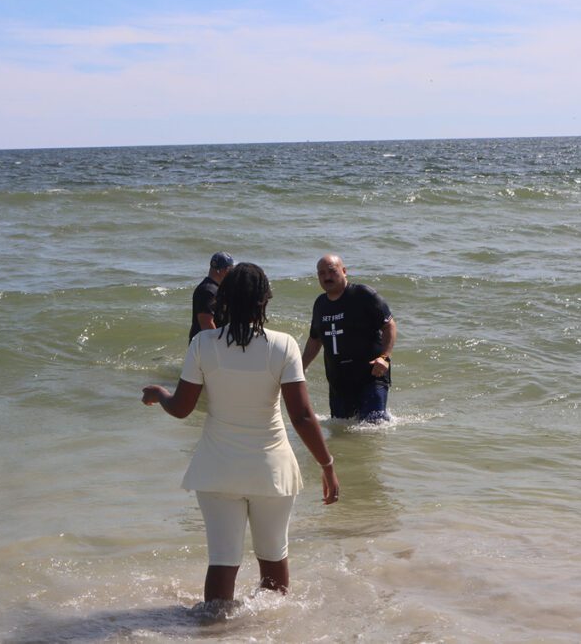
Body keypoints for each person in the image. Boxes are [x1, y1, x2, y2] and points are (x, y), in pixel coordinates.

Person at [143, 263, 340, 607]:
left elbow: (182, 408)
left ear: (224, 300)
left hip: (218, 471)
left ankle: (213, 632)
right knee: (273, 558)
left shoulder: (204, 344)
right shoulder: (283, 345)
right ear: (265, 300)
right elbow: (303, 416)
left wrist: (160, 393)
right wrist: (327, 465)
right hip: (271, 471)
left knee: (222, 561)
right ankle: (270, 630)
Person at [302, 254, 397, 422]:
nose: (327, 277)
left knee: (373, 428)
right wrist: (300, 368)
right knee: (342, 433)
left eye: (331, 271)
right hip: (339, 382)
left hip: (371, 376)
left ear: (344, 271)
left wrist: (384, 358)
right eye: (321, 273)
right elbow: (315, 340)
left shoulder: (364, 295)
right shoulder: (320, 304)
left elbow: (389, 325)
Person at [189, 252, 234, 341]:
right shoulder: (207, 291)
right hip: (204, 347)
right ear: (220, 270)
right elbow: (206, 324)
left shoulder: (216, 288)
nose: (231, 273)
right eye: (230, 269)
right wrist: (219, 346)